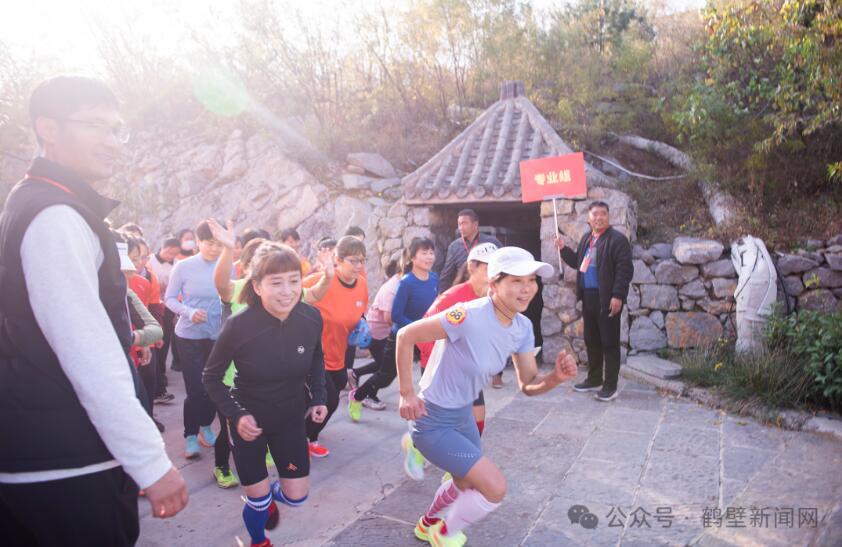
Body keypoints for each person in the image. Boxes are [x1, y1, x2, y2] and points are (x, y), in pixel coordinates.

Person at [0, 75, 186, 544]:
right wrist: (149, 462)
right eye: (98, 126)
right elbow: (88, 351)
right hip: (67, 467)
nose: (114, 142)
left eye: (118, 129)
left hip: (44, 459)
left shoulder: (30, 203)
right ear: (50, 128)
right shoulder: (55, 216)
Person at [396, 247, 578, 545]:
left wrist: (555, 378)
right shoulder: (466, 315)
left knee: (464, 482)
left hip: (462, 416)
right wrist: (406, 394)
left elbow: (529, 384)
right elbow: (406, 336)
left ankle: (427, 523)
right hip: (432, 419)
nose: (527, 288)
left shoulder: (522, 328)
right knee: (495, 488)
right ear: (493, 284)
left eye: (531, 280)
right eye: (516, 281)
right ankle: (443, 533)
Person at [203, 243, 327, 547]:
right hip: (249, 423)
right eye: (276, 282)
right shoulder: (238, 326)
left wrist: (319, 396)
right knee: (257, 503)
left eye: (294, 281)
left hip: (290, 418)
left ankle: (269, 497)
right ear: (256, 286)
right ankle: (257, 540)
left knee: (297, 497)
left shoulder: (311, 317)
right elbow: (211, 377)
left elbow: (316, 357)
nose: (287, 291)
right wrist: (236, 415)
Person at [348, 237, 438, 421]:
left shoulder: (434, 279)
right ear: (413, 257)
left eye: (431, 252)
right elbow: (396, 316)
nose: (429, 257)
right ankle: (357, 397)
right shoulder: (406, 283)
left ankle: (428, 415)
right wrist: (417, 328)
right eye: (424, 252)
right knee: (386, 375)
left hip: (425, 335)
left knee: (429, 375)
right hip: (401, 337)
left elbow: (435, 306)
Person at [556, 200, 633, 402]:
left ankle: (610, 386)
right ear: (588, 218)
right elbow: (577, 263)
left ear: (608, 217)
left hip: (607, 298)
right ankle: (594, 378)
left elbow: (624, 271)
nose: (599, 217)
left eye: (603, 214)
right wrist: (564, 249)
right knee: (592, 340)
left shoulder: (617, 240)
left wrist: (618, 296)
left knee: (609, 342)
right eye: (595, 214)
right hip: (588, 297)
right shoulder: (587, 239)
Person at [302, 236, 368, 457]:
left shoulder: (362, 284)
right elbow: (289, 297)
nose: (359, 266)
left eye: (362, 260)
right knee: (327, 399)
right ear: (337, 260)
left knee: (335, 390)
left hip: (338, 354)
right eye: (354, 261)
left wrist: (363, 323)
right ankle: (305, 439)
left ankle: (306, 434)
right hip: (312, 355)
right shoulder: (318, 281)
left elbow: (359, 311)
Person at [165, 219, 224, 458]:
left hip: (216, 336)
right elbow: (168, 299)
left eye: (219, 244)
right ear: (198, 242)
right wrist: (189, 312)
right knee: (195, 389)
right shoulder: (183, 267)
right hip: (188, 335)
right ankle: (190, 435)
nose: (215, 249)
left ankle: (206, 426)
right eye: (210, 243)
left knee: (212, 386)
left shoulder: (226, 266)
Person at [348, 258, 402, 410]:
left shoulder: (401, 285)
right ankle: (364, 395)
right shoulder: (391, 289)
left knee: (382, 365)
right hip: (377, 334)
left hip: (385, 333)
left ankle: (355, 374)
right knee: (386, 371)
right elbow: (388, 318)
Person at [148, 235, 181, 403]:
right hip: (150, 304)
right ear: (162, 246)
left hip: (167, 306)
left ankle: (161, 373)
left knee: (165, 340)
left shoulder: (176, 265)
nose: (169, 255)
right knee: (153, 341)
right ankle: (157, 377)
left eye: (173, 254)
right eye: (168, 251)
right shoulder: (149, 261)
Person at [438, 209, 502, 292]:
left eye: (464, 223)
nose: (460, 228)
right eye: (459, 224)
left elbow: (502, 267)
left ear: (475, 224)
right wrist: (442, 295)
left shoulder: (492, 243)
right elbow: (446, 275)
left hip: (487, 291)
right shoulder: (454, 246)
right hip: (463, 293)